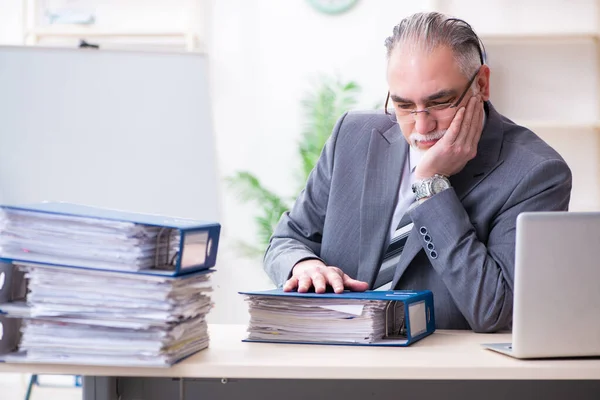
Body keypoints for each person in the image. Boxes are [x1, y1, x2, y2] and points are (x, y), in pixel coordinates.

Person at [263, 11, 572, 332]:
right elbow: (287, 240)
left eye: (440, 102)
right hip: (336, 359)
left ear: (481, 83)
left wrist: (431, 187)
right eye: (404, 106)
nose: (422, 126)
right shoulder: (352, 136)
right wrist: (305, 264)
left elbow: (495, 311)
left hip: (444, 374)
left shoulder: (537, 173)